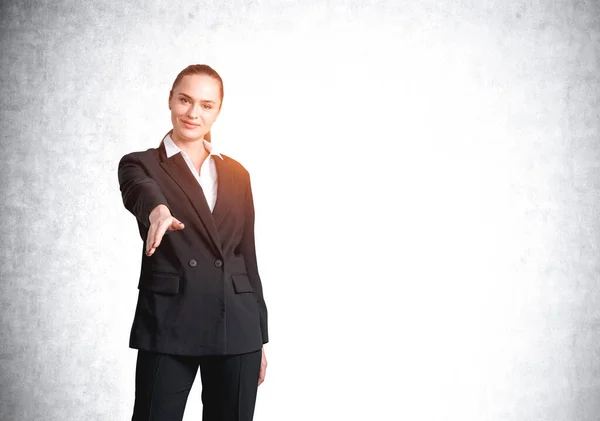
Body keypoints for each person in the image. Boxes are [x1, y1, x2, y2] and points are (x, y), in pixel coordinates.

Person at [117, 64, 268, 421]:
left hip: (237, 324)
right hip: (170, 321)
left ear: (218, 110)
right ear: (170, 99)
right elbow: (141, 192)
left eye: (206, 104)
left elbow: (247, 255)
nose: (193, 113)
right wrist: (157, 212)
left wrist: (259, 335)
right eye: (185, 100)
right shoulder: (140, 164)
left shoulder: (237, 173)